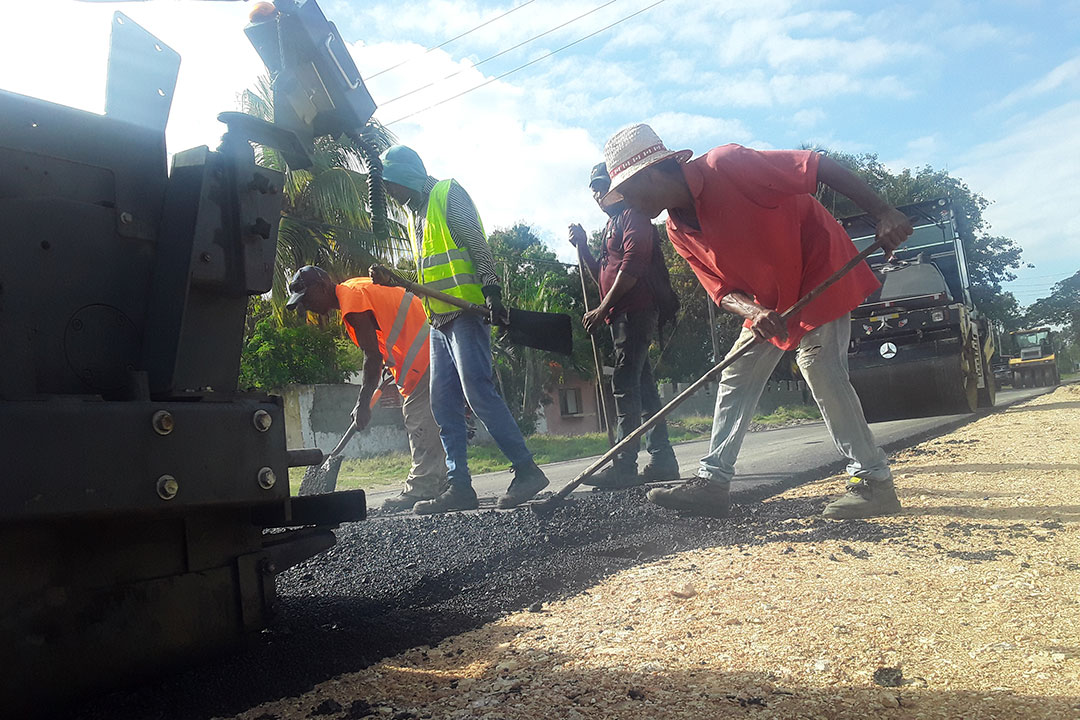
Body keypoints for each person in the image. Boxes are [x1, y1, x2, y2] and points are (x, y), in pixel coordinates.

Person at [600, 123, 914, 519]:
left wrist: (884, 213)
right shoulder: (678, 230)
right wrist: (754, 312)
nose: (625, 204)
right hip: (769, 301)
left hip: (817, 269)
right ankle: (713, 483)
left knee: (818, 365)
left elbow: (817, 167)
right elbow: (721, 290)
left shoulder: (727, 164)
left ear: (650, 173)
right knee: (737, 372)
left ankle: (873, 481)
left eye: (626, 192)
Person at [373, 144, 549, 513]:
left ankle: (527, 470)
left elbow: (476, 243)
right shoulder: (413, 216)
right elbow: (430, 274)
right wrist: (397, 280)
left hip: (466, 314)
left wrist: (493, 290)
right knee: (442, 402)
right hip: (438, 320)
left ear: (407, 176)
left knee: (478, 392)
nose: (390, 193)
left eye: (392, 183)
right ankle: (460, 486)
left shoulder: (446, 194)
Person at [285, 266, 447, 513]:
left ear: (322, 286)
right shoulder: (354, 288)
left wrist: (362, 403)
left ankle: (422, 487)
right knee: (435, 420)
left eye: (306, 297)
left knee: (418, 420)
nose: (305, 305)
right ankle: (444, 482)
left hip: (424, 353)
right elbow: (383, 339)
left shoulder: (352, 301)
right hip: (432, 345)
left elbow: (371, 356)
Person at [567, 162, 680, 488]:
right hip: (620, 314)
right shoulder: (611, 224)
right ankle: (662, 459)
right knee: (643, 389)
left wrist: (603, 308)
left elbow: (632, 266)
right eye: (594, 192)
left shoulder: (634, 216)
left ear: (618, 185)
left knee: (624, 383)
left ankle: (624, 465)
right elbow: (602, 277)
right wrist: (584, 247)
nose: (598, 196)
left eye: (602, 187)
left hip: (636, 312)